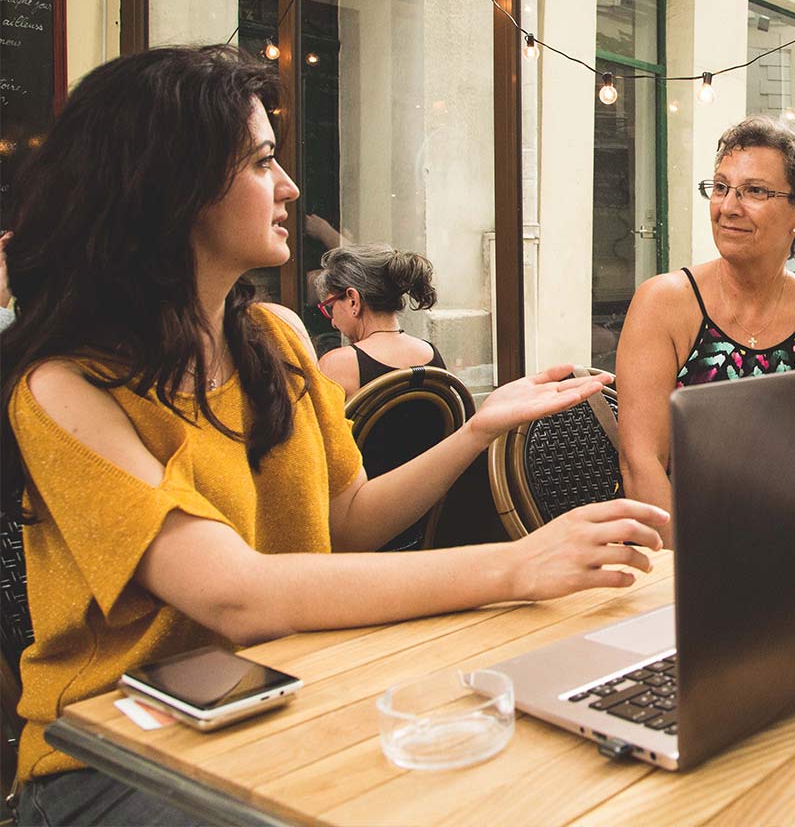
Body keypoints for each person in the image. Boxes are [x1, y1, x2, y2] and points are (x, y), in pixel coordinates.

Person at [0, 45, 668, 825]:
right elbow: (236, 596)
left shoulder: (274, 338)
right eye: (260, 164)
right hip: (112, 754)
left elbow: (345, 521)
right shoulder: (64, 385)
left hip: (288, 693)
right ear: (168, 189)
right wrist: (518, 566)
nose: (286, 188)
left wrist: (478, 428)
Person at [616, 116, 795, 542]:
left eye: (755, 191)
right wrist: (697, 575)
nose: (728, 207)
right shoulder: (664, 303)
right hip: (672, 552)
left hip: (787, 548)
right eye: (722, 187)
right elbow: (642, 465)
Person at [315, 243, 446, 399]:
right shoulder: (431, 354)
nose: (333, 323)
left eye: (330, 308)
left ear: (353, 300)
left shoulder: (337, 364)